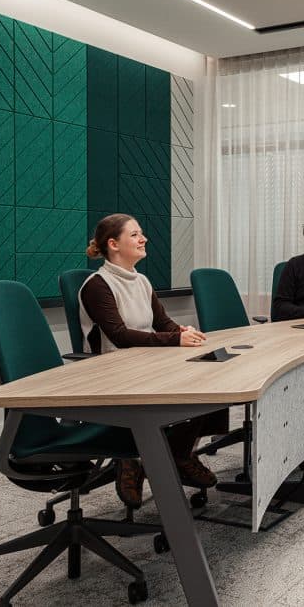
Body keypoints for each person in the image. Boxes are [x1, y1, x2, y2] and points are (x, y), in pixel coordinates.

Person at [79, 213, 227, 508]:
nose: (143, 238)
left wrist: (183, 332)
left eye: (141, 233)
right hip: (114, 372)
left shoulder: (142, 281)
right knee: (197, 388)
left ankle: (174, 454)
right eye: (134, 235)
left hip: (148, 365)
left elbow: (162, 323)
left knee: (215, 379)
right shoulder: (97, 285)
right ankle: (147, 457)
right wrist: (174, 340)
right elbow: (119, 336)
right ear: (113, 244)